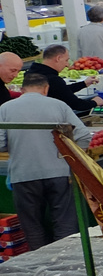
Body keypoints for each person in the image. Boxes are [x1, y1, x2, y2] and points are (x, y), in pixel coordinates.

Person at [0, 71, 90, 249]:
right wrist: (73, 159)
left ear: (22, 89)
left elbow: (0, 142)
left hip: (23, 175)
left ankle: (43, 268)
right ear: (46, 88)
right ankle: (68, 262)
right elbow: (84, 135)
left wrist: (17, 144)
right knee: (65, 222)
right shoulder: (58, 105)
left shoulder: (5, 108)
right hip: (59, 173)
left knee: (32, 226)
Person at [27, 45, 88, 116]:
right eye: (66, 60)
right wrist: (96, 101)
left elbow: (61, 91)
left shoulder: (31, 73)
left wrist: (84, 84)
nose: (67, 65)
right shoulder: (52, 79)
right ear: (58, 58)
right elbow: (76, 104)